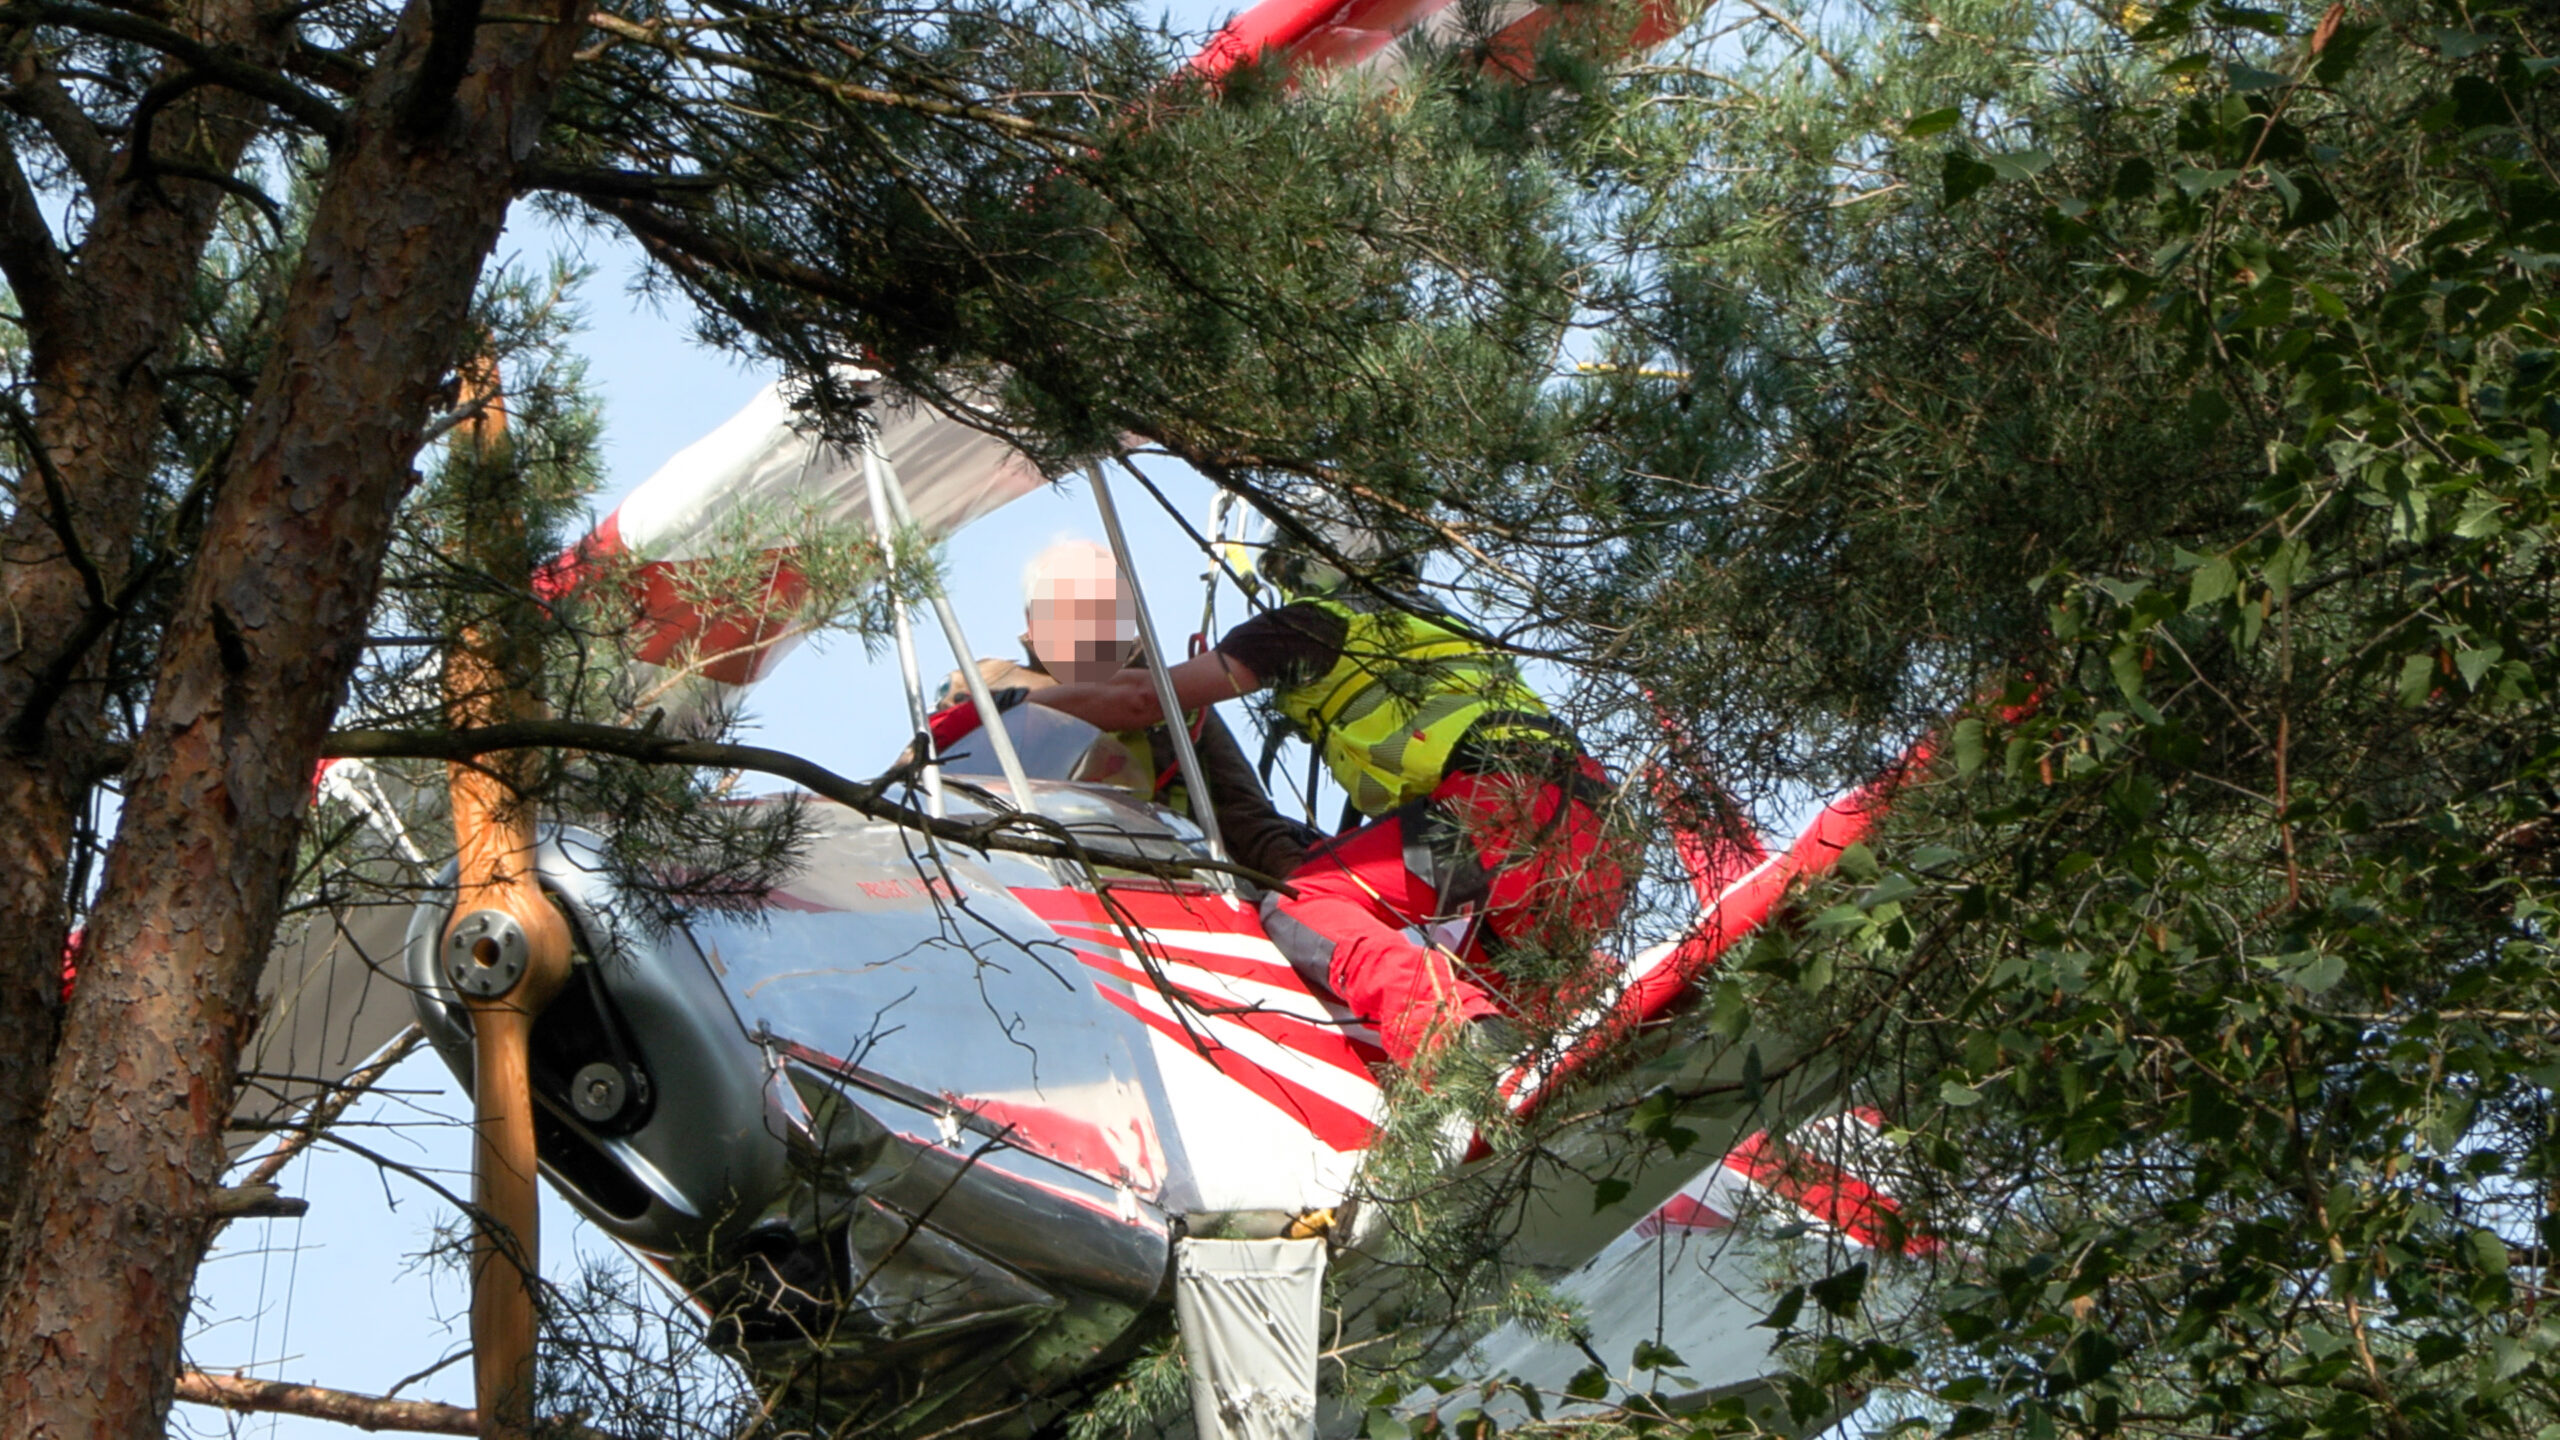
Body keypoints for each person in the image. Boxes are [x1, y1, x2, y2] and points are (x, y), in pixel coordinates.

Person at [1025, 520, 1628, 1066]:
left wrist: (1009, 705)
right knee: (1501, 976)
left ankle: (1450, 1034)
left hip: (1494, 810)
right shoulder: (1438, 626)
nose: (1289, 588)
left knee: (1300, 901)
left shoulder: (1307, 625)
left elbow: (1144, 698)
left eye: (1290, 570)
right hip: (1597, 832)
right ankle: (1611, 1024)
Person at [930, 540, 1314, 882]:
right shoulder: (986, 686)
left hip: (1167, 884)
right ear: (1033, 624)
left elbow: (1247, 817)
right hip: (1028, 879)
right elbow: (926, 785)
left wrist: (1301, 886)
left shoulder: (1180, 705)